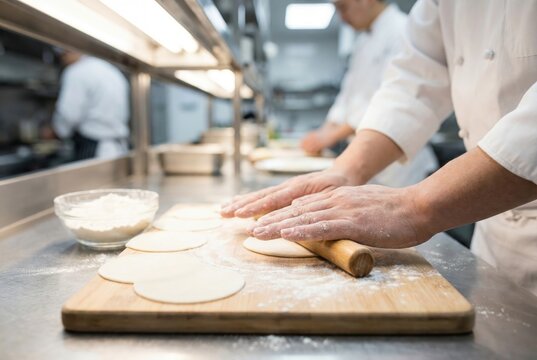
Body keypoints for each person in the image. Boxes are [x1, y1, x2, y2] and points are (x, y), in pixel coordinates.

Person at [222, 0, 537, 296]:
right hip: (495, 237)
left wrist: (415, 206)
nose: (341, 14)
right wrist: (345, 170)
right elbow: (415, 82)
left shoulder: (392, 28)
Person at [301, 0, 436, 187]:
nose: (342, 17)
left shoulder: (402, 29)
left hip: (399, 166)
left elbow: (392, 100)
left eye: (343, 7)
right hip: (363, 158)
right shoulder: (362, 41)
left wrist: (331, 137)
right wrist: (323, 133)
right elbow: (347, 96)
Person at [52, 49, 130, 160]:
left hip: (95, 151)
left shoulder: (76, 71)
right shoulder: (112, 70)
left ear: (68, 52)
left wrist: (57, 131)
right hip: (120, 148)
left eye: (62, 56)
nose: (62, 61)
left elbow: (68, 115)